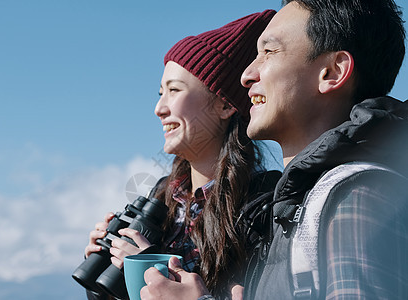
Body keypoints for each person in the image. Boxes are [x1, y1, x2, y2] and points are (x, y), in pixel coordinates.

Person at [141, 0, 408, 299]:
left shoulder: (356, 196)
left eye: (268, 52)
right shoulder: (297, 206)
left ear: (332, 72)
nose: (247, 75)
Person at [84, 10, 281, 300]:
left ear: (225, 106)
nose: (159, 109)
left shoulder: (262, 204)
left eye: (174, 91)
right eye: (159, 93)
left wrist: (149, 263)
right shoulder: (163, 195)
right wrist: (107, 268)